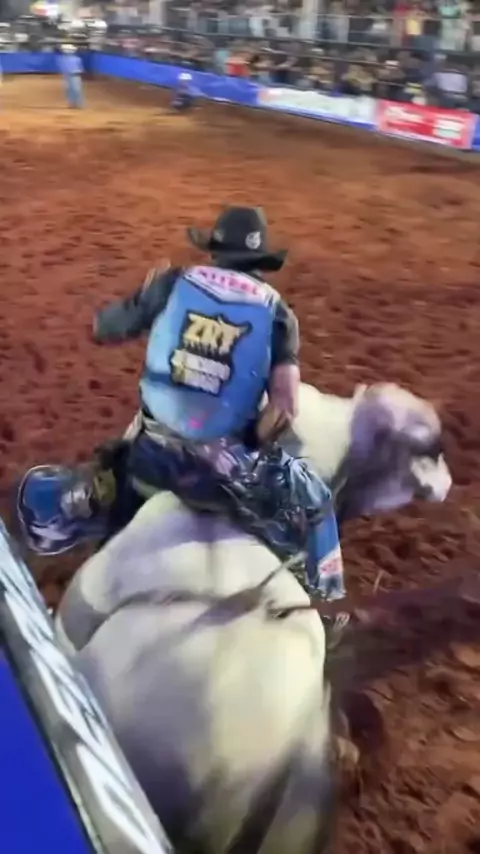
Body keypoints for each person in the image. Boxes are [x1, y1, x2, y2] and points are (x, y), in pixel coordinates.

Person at [91, 206, 345, 603]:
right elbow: (284, 409)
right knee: (310, 507)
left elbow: (105, 328)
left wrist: (146, 295)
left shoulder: (174, 283)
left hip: (152, 458)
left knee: (108, 484)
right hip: (222, 478)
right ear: (259, 260)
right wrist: (252, 445)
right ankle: (324, 599)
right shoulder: (279, 314)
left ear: (214, 250)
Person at [57, 44, 84, 110]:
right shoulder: (62, 58)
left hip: (74, 75)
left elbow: (80, 68)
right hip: (68, 75)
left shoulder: (76, 59)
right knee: (69, 89)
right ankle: (72, 103)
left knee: (75, 89)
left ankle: (78, 104)